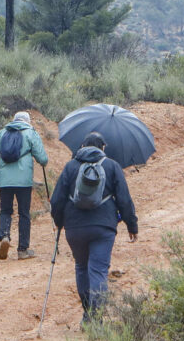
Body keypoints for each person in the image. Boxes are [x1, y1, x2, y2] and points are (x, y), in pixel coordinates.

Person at [49, 133, 138, 324]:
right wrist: (132, 225)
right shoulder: (112, 166)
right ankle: (96, 318)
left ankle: (88, 313)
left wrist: (59, 222)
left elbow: (57, 200)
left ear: (82, 146)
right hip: (103, 227)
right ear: (102, 148)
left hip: (75, 227)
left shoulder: (71, 166)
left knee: (81, 267)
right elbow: (124, 199)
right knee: (97, 271)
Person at [0, 111, 49, 260]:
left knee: (5, 210)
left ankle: (5, 236)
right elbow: (43, 159)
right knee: (24, 213)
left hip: (5, 181)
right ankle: (22, 250)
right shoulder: (31, 133)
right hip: (24, 181)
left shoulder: (1, 133)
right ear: (27, 121)